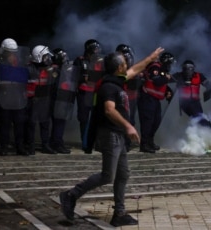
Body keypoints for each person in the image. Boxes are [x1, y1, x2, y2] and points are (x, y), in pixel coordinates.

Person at [59, 47, 164, 227]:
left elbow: (135, 70)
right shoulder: (108, 86)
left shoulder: (116, 80)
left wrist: (150, 57)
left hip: (119, 135)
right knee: (108, 175)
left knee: (123, 174)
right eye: (124, 63)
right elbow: (109, 110)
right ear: (118, 68)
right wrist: (128, 125)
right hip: (111, 134)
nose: (127, 64)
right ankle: (70, 195)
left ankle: (119, 214)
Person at [0, 38, 30, 156]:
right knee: (5, 124)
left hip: (18, 97)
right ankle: (4, 147)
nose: (12, 54)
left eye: (13, 52)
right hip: (5, 96)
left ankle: (19, 147)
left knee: (19, 124)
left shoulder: (20, 62)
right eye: (9, 52)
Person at [137, 52, 175, 153]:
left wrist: (168, 91)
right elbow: (157, 81)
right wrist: (166, 78)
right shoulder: (155, 67)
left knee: (156, 122)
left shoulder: (162, 70)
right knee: (147, 122)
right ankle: (144, 144)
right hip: (147, 98)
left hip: (155, 99)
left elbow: (162, 86)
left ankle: (150, 141)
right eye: (170, 63)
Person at [24, 45, 57, 155]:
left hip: (44, 99)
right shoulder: (29, 68)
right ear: (38, 57)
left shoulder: (49, 68)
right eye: (45, 56)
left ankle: (45, 145)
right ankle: (30, 145)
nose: (47, 58)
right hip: (32, 100)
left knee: (45, 123)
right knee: (31, 124)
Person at [73, 39, 105, 153]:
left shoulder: (101, 61)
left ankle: (97, 142)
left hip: (96, 93)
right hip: (84, 93)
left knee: (97, 118)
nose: (98, 51)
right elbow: (74, 76)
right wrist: (84, 78)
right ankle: (86, 143)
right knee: (84, 119)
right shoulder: (80, 61)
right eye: (96, 48)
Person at [173, 59, 211, 130]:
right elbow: (167, 79)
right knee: (198, 117)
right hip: (185, 103)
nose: (188, 70)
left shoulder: (199, 76)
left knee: (198, 118)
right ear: (183, 68)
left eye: (190, 68)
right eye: (186, 68)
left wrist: (209, 91)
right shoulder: (179, 75)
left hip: (196, 102)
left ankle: (205, 132)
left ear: (193, 68)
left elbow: (207, 84)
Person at [49, 48, 76, 154]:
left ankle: (56, 142)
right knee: (59, 122)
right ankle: (57, 143)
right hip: (57, 99)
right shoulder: (54, 70)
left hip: (62, 98)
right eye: (63, 57)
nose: (65, 59)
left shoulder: (63, 69)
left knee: (60, 122)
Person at [115, 43, 142, 150]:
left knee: (130, 120)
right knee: (120, 120)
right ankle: (121, 142)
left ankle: (126, 143)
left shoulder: (135, 69)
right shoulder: (116, 68)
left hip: (131, 98)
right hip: (120, 97)